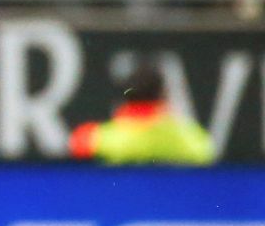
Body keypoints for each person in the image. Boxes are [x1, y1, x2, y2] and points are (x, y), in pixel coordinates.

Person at [69, 63, 216, 166]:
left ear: (125, 98)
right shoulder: (192, 138)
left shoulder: (95, 138)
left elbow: (77, 145)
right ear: (162, 96)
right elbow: (206, 152)